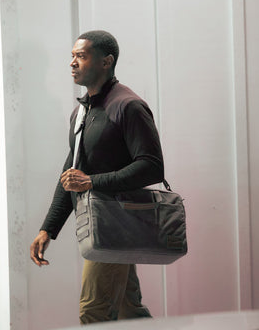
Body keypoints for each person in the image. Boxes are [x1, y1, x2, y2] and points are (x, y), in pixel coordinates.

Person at [30, 30, 164, 324]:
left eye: (81, 56)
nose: (73, 63)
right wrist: (48, 229)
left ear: (106, 62)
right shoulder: (81, 112)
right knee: (132, 312)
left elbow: (152, 167)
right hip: (100, 225)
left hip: (114, 227)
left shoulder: (128, 106)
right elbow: (70, 174)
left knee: (93, 313)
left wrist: (92, 182)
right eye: (72, 56)